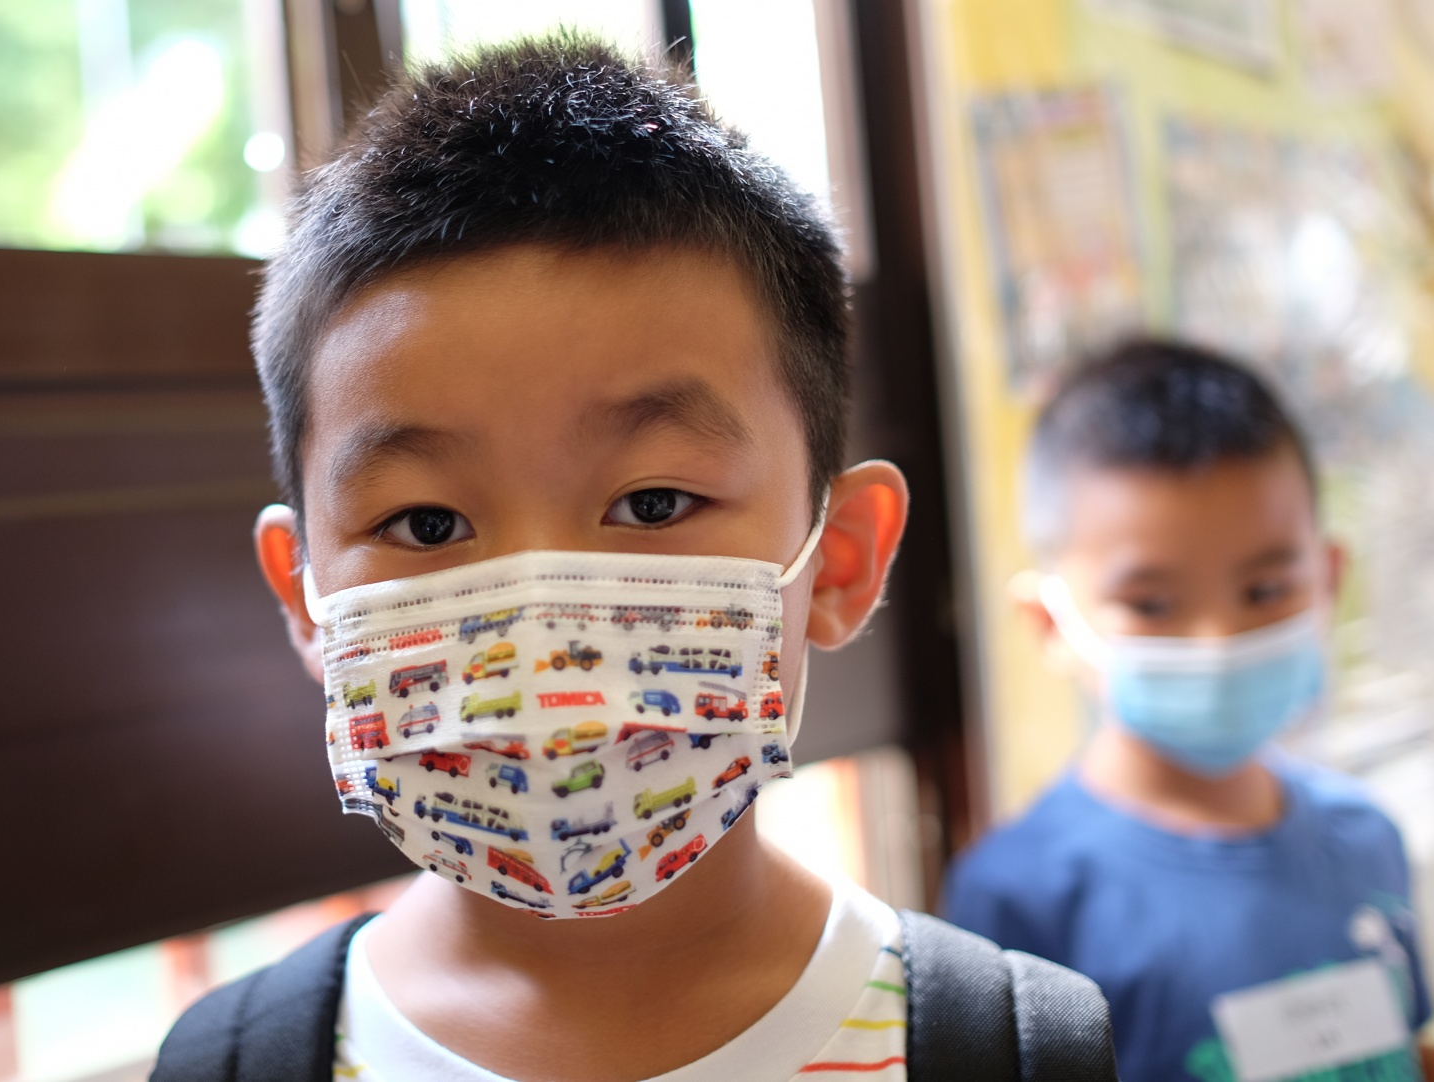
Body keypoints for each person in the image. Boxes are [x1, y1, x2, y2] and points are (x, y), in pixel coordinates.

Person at [153, 35, 1112, 1082]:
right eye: (426, 524)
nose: (538, 624)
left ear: (837, 561)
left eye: (651, 503)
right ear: (305, 600)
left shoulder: (1012, 1050)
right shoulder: (230, 1065)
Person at [942, 340, 1433, 1082]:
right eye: (1152, 604)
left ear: (1328, 579)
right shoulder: (1021, 898)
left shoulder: (1367, 837)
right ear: (1049, 624)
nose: (1217, 640)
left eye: (1264, 591)